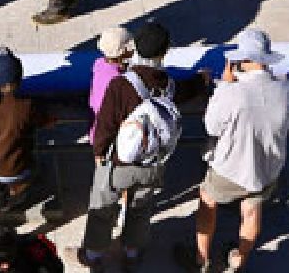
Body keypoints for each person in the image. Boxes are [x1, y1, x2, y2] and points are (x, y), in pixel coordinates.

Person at [73, 22, 210, 272]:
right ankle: (132, 252)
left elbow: (105, 124)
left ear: (135, 47)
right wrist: (202, 80)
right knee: (140, 209)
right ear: (164, 52)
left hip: (118, 163)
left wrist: (98, 152)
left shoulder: (121, 85)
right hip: (152, 163)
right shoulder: (167, 83)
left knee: (102, 208)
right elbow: (186, 91)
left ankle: (93, 255)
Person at [175, 28, 289, 272]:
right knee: (252, 212)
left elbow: (211, 126)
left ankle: (201, 259)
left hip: (229, 168)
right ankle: (238, 260)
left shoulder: (231, 93)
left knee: (208, 202)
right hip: (267, 167)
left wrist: (224, 87)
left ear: (242, 59)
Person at [0, 47, 54, 231]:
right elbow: (46, 121)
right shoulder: (28, 105)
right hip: (17, 169)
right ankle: (15, 195)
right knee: (37, 170)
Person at [89, 27, 134, 143]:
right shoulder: (119, 81)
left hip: (98, 129)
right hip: (113, 136)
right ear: (123, 52)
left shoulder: (99, 64)